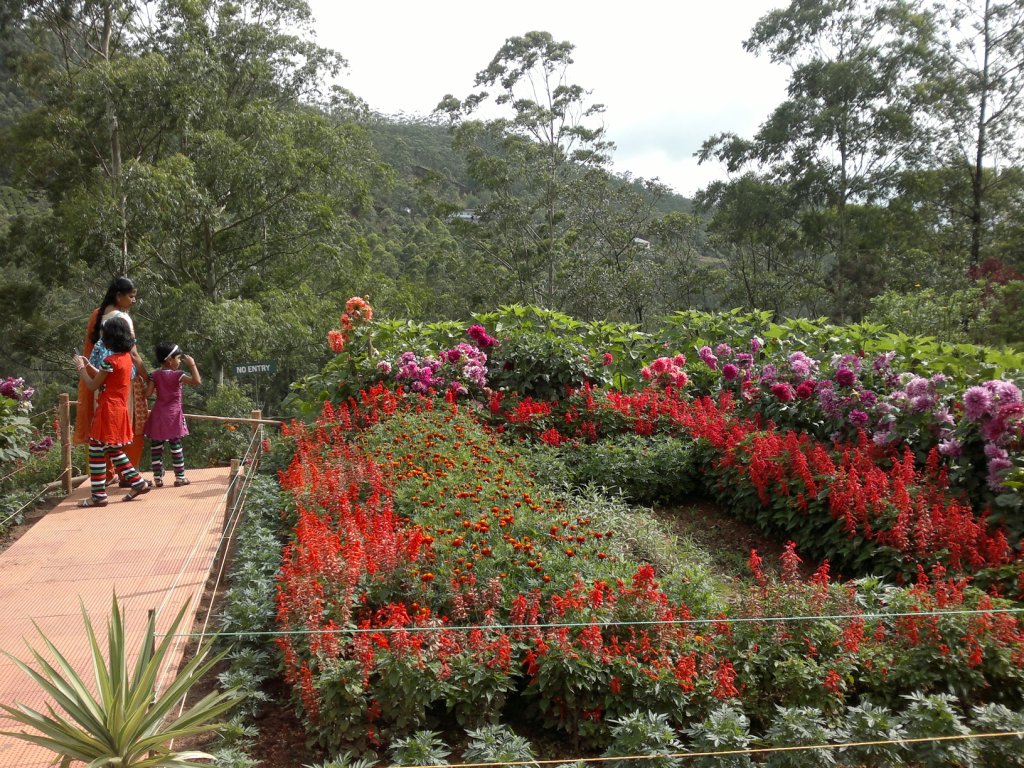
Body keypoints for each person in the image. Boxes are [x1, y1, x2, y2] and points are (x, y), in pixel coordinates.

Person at [73, 277, 149, 484]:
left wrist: (83, 368)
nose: (134, 300)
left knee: (102, 436)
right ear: (119, 295)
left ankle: (106, 476)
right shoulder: (122, 319)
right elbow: (134, 354)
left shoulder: (97, 315)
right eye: (131, 296)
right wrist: (148, 377)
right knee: (129, 428)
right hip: (122, 382)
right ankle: (130, 476)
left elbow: (93, 363)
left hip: (101, 379)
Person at [145, 342, 201, 487]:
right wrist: (192, 365)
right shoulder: (178, 375)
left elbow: (148, 394)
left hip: (158, 415)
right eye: (178, 358)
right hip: (173, 416)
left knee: (156, 447)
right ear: (170, 360)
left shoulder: (154, 375)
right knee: (176, 446)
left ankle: (158, 478)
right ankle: (180, 477)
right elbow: (196, 381)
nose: (179, 361)